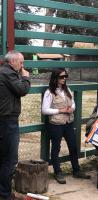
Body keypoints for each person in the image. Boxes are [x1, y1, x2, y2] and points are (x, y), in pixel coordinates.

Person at [42, 68, 90, 184]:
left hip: (68, 123)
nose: (64, 79)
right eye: (61, 77)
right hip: (56, 124)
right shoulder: (49, 92)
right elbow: (44, 110)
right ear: (55, 78)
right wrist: (60, 110)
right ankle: (58, 172)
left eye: (65, 76)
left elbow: (73, 104)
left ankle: (76, 170)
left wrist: (71, 109)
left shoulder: (67, 89)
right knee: (56, 149)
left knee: (73, 146)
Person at [0, 51, 30, 200]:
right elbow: (22, 90)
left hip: (4, 120)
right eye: (21, 62)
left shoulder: (3, 71)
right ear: (12, 61)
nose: (22, 65)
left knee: (3, 157)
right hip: (7, 121)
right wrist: (26, 78)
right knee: (10, 159)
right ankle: (5, 194)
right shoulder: (8, 73)